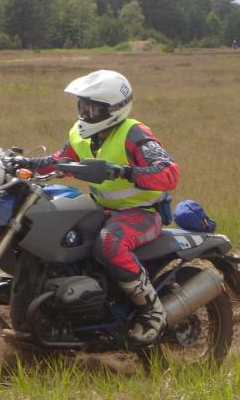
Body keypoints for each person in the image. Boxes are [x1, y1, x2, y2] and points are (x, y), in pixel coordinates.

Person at [11, 70, 180, 344]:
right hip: (102, 209)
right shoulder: (81, 135)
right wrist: (24, 164)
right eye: (82, 106)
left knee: (110, 242)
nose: (85, 113)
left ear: (113, 109)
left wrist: (123, 171)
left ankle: (152, 309)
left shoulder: (134, 134)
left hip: (141, 213)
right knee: (48, 230)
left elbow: (168, 172)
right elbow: (60, 161)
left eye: (92, 108)